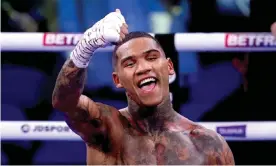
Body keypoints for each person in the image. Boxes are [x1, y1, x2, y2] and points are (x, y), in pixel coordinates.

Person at [52, 9, 234, 165]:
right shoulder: (106, 128)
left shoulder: (209, 145)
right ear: (117, 80)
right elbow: (65, 102)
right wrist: (85, 48)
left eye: (152, 57)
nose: (144, 68)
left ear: (169, 68)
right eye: (130, 64)